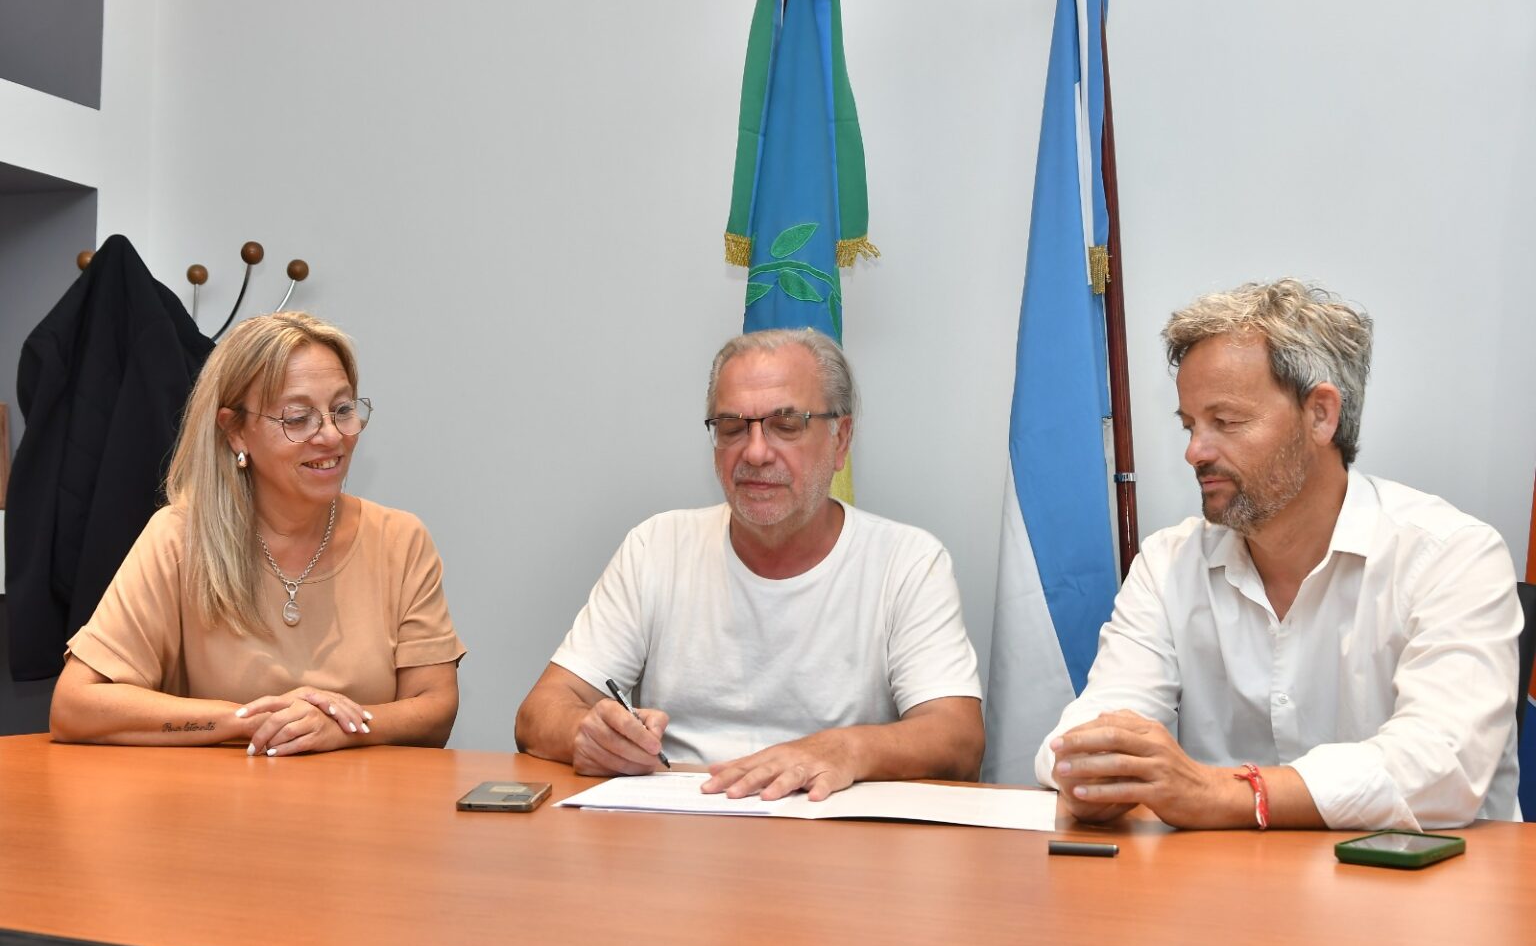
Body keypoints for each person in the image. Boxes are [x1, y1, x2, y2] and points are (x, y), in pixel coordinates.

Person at [1036, 279, 1522, 831]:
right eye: (1190, 425)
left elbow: (1441, 767)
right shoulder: (1169, 563)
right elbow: (1079, 738)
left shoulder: (1451, 555)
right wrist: (1094, 768)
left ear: (1320, 415)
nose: (1194, 451)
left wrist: (1220, 794)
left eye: (1226, 421)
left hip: (1427, 876)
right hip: (1221, 877)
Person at [515, 328, 984, 801]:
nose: (756, 452)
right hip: (679, 821)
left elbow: (959, 739)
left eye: (786, 424)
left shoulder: (907, 562)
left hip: (831, 825)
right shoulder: (656, 546)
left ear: (840, 440)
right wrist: (589, 734)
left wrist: (844, 749)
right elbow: (538, 713)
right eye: (732, 427)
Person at [49, 312, 465, 756]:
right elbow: (75, 705)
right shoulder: (179, 538)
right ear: (234, 431)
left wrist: (342, 726)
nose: (331, 436)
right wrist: (248, 720)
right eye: (298, 418)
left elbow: (435, 708)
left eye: (343, 410)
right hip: (216, 797)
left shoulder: (400, 539)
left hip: (363, 797)